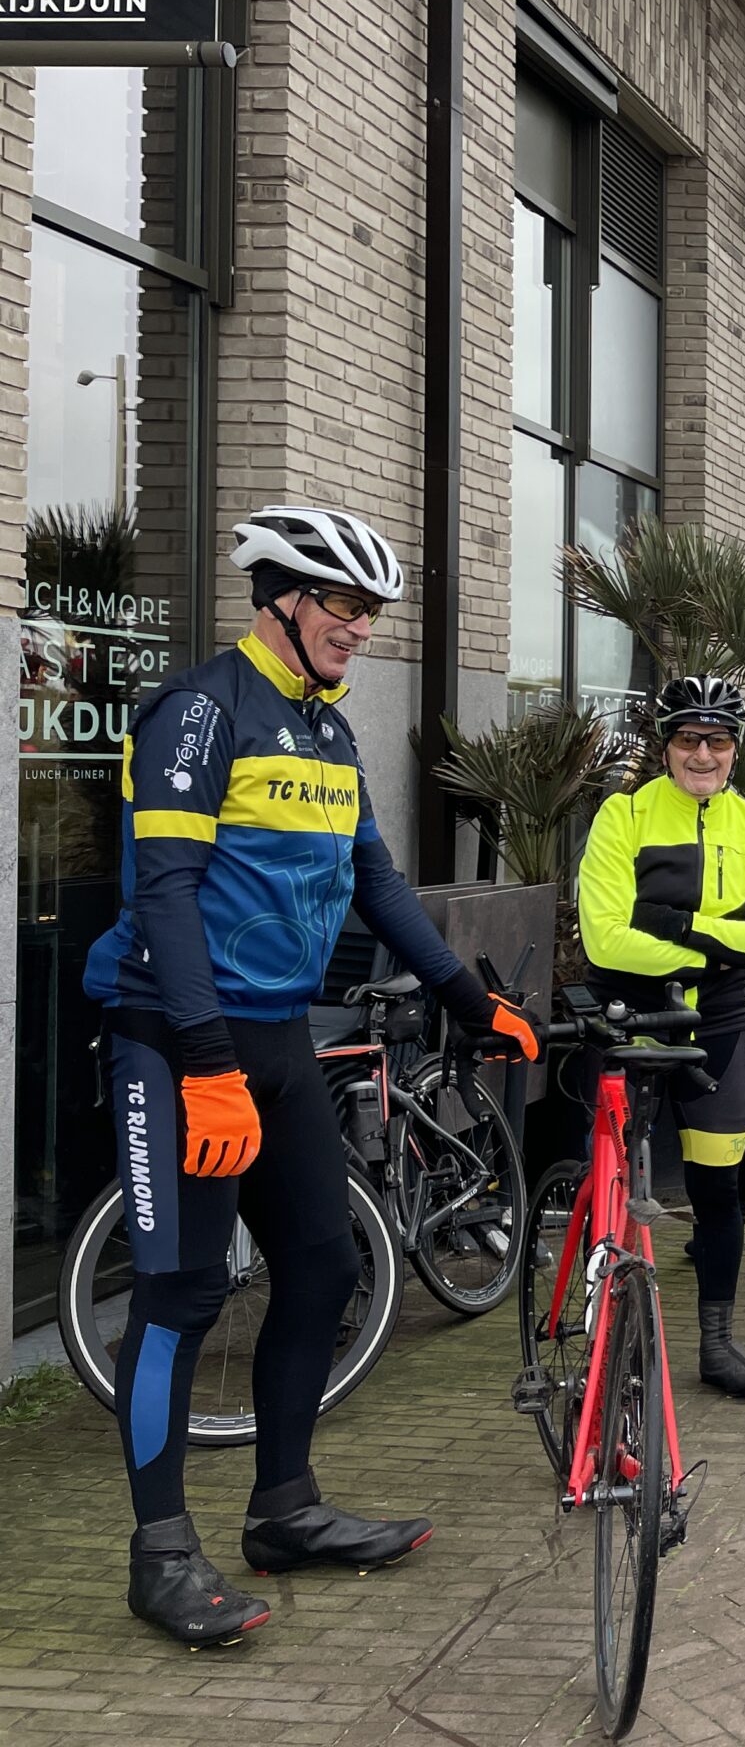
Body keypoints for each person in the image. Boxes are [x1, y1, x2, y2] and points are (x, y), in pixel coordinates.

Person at [86, 506, 539, 1647]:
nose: (361, 628)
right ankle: (159, 1556)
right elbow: (163, 892)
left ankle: (283, 1510)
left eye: (369, 610)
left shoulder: (326, 732)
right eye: (341, 604)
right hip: (175, 1037)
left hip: (279, 1035)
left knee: (326, 1268)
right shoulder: (202, 712)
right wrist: (204, 1064)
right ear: (279, 600)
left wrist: (469, 998)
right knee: (183, 1295)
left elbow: (375, 881)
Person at [579, 675, 745, 1398]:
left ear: (735, 748)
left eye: (718, 740)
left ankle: (717, 1343)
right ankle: (601, 1338)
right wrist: (720, 953)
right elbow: (605, 940)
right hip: (633, 1020)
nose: (703, 754)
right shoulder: (625, 815)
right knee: (617, 1183)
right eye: (688, 739)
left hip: (721, 1028)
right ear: (666, 745)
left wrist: (681, 928)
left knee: (717, 1189)